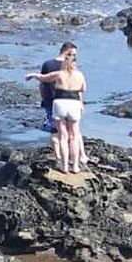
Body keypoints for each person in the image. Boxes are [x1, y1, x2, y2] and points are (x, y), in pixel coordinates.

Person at [27, 46, 87, 174]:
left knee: (63, 136)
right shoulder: (80, 75)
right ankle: (75, 166)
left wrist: (32, 75)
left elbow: (43, 78)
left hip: (60, 103)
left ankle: (64, 166)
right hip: (74, 103)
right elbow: (83, 89)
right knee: (74, 136)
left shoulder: (59, 74)